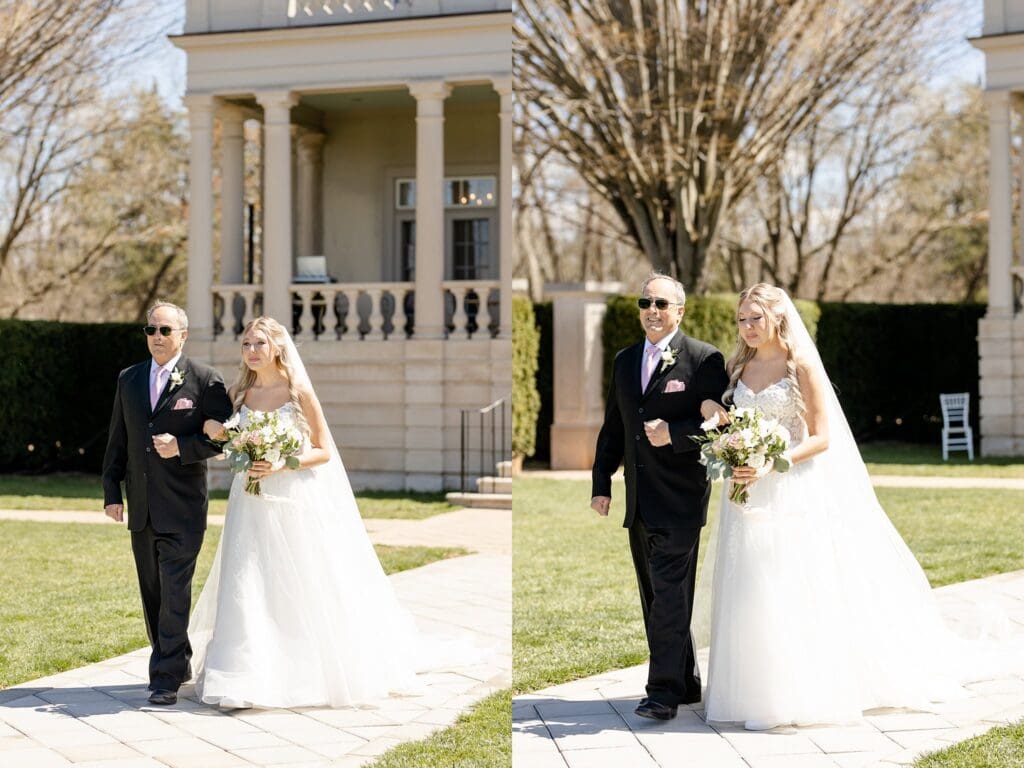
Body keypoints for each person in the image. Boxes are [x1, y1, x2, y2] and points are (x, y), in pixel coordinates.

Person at [700, 283, 965, 730]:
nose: (747, 327)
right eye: (742, 319)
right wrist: (726, 433)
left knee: (789, 583)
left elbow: (822, 438)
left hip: (789, 487)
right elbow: (727, 415)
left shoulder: (800, 364)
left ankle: (798, 690)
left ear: (777, 318)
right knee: (749, 584)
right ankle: (751, 690)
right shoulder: (737, 366)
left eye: (755, 318)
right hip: (746, 493)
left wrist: (771, 461)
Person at [188, 316, 437, 709]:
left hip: (291, 498)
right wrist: (220, 435)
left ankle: (302, 672)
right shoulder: (239, 393)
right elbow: (223, 437)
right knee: (247, 577)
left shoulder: (298, 392)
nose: (251, 352)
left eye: (259, 344)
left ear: (276, 349)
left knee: (294, 577)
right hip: (248, 500)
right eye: (246, 345)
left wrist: (281, 462)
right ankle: (241, 675)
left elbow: (323, 451)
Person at [591, 274, 729, 721]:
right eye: (645, 301)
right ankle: (686, 681)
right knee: (657, 597)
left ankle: (662, 693)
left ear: (679, 311)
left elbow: (720, 426)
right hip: (640, 502)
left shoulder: (705, 360)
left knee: (668, 597)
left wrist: (675, 434)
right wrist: (600, 483)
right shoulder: (625, 360)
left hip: (682, 499)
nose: (652, 309)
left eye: (662, 303)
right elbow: (615, 425)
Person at [102, 301, 234, 706]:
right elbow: (118, 438)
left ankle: (164, 678)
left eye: (164, 330)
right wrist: (111, 491)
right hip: (141, 507)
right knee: (153, 593)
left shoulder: (206, 381)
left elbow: (223, 438)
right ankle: (178, 661)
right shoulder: (129, 379)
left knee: (175, 591)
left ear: (183, 335)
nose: (156, 337)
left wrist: (181, 447)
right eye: (151, 330)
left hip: (182, 507)